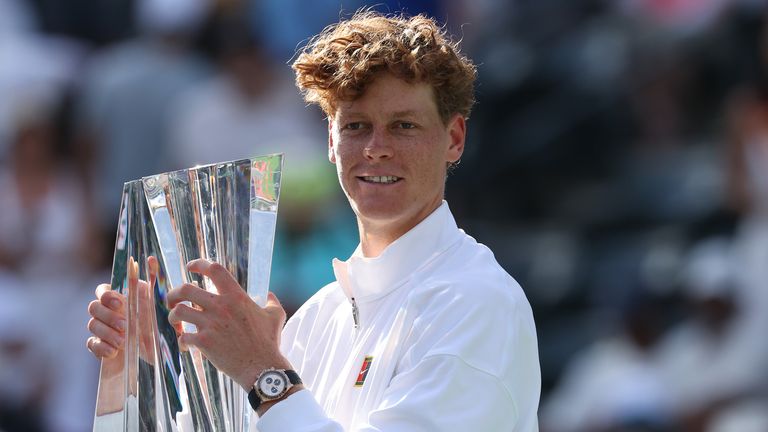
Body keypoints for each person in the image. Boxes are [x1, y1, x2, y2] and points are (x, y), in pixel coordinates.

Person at [86, 11, 541, 431]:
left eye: (404, 125)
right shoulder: (318, 317)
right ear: (329, 140)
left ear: (454, 139)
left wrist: (263, 371)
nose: (376, 148)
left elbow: (272, 392)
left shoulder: (478, 302)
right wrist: (146, 372)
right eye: (356, 126)